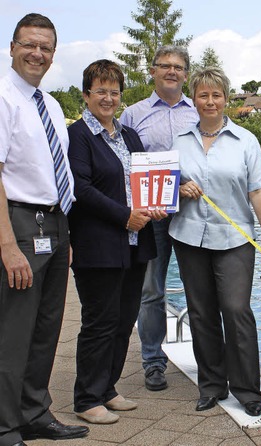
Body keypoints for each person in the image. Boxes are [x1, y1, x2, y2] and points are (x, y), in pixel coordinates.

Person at [0, 13, 89, 445]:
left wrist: (64, 234)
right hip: (16, 220)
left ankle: (34, 411)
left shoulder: (50, 105)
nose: (38, 53)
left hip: (55, 223)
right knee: (13, 330)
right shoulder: (3, 97)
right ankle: (4, 424)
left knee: (46, 326)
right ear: (12, 46)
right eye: (30, 44)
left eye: (46, 48)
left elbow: (59, 175)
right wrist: (6, 245)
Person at [169, 66, 261, 417]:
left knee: (236, 310)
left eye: (217, 95)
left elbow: (258, 189)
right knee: (201, 314)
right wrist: (179, 188)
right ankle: (212, 386)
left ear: (226, 99)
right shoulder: (180, 141)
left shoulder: (245, 140)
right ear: (194, 99)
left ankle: (247, 388)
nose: (210, 101)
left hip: (234, 239)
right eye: (203, 94)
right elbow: (165, 186)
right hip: (188, 236)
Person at [67, 59, 162, 424]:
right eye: (100, 90)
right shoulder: (77, 136)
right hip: (99, 244)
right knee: (100, 322)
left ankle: (107, 388)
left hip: (136, 244)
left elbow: (144, 182)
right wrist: (125, 216)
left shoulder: (129, 136)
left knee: (124, 321)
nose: (108, 98)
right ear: (87, 95)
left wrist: (156, 204)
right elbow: (81, 188)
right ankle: (87, 397)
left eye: (114, 91)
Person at [120, 45, 199, 392]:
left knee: (201, 292)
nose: (171, 71)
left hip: (194, 215)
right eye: (164, 65)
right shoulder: (132, 115)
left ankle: (209, 361)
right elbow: (121, 166)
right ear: (152, 71)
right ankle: (153, 362)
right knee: (151, 292)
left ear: (186, 73)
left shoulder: (200, 113)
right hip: (152, 218)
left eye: (178, 67)